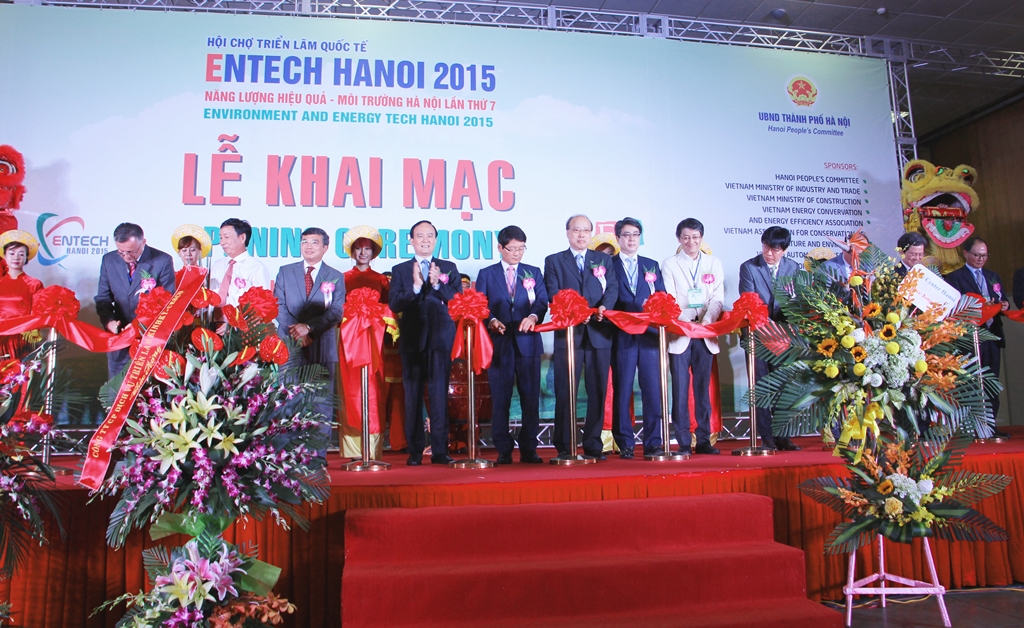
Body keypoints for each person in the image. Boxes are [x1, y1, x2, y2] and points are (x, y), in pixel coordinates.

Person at [543, 214, 619, 461]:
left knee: (597, 389)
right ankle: (565, 443)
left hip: (599, 330)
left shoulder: (603, 260)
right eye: (577, 230)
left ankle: (593, 442)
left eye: (586, 230)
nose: (581, 234)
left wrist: (604, 308)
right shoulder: (554, 260)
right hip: (569, 333)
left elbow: (612, 288)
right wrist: (577, 313)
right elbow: (553, 292)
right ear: (568, 232)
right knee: (566, 389)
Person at [388, 220, 462, 466]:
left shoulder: (448, 267)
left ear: (436, 239)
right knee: (412, 397)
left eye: (430, 235)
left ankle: (440, 450)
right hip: (412, 340)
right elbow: (395, 303)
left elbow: (457, 300)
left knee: (439, 396)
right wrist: (416, 288)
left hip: (440, 339)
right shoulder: (400, 270)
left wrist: (438, 284)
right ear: (411, 240)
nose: (425, 239)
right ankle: (415, 450)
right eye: (420, 235)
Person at [477, 225, 549, 464]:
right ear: (500, 247)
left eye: (521, 248)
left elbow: (542, 300)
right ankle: (503, 449)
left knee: (530, 398)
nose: (517, 253)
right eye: (512, 249)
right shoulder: (487, 274)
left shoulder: (533, 272)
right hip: (499, 343)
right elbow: (480, 305)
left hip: (527, 342)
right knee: (501, 398)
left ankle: (529, 448)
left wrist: (534, 317)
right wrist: (491, 321)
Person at [274, 227, 346, 450]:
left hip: (321, 345)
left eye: (314, 242)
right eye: (304, 241)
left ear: (325, 247)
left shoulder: (336, 275)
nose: (308, 246)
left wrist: (309, 328)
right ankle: (287, 454)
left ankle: (317, 456)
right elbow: (278, 305)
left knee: (321, 403)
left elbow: (336, 311)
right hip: (289, 344)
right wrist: (297, 331)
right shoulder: (285, 271)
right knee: (287, 400)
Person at [662, 218, 724, 455]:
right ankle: (683, 442)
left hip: (705, 334)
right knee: (680, 390)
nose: (691, 242)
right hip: (681, 333)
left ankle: (704, 440)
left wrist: (706, 322)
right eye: (686, 237)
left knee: (703, 390)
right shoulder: (670, 263)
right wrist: (687, 324)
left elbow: (717, 298)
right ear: (679, 238)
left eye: (695, 237)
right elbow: (670, 298)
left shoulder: (713, 263)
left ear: (701, 238)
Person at [738, 226, 802, 451]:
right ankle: (766, 436)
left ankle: (783, 435)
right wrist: (772, 328)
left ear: (784, 249)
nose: (768, 253)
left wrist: (790, 329)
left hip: (784, 338)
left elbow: (797, 302)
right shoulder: (749, 267)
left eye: (774, 249)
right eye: (765, 247)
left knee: (783, 385)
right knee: (762, 386)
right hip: (757, 336)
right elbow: (749, 303)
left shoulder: (793, 268)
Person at [609, 218, 667, 459]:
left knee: (653, 390)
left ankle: (653, 442)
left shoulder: (651, 265)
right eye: (626, 235)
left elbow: (661, 295)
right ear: (618, 238)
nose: (631, 239)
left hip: (649, 336)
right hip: (622, 334)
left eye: (635, 234)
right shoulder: (608, 264)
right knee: (623, 389)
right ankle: (625, 443)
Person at [944, 236, 1010, 434]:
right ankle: (971, 427)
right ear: (965, 253)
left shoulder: (992, 276)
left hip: (992, 335)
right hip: (969, 338)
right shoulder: (954, 277)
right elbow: (952, 308)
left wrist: (1004, 305)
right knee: (970, 382)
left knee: (991, 381)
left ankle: (990, 426)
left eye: (985, 255)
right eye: (977, 255)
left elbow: (1001, 298)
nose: (981, 259)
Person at [95, 222, 175, 377]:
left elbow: (167, 301)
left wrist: (139, 325)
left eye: (131, 252)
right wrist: (109, 322)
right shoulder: (109, 260)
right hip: (119, 338)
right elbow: (103, 297)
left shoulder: (162, 261)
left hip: (149, 338)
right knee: (117, 386)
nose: (126, 256)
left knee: (148, 387)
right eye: (121, 252)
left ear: (143, 242)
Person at [338, 225, 390, 459]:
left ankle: (372, 448)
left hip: (374, 342)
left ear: (373, 252)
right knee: (350, 390)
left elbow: (389, 310)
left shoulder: (382, 280)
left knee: (373, 390)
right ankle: (352, 449)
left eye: (367, 249)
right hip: (348, 342)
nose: (362, 253)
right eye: (358, 249)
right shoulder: (342, 278)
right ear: (352, 252)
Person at [0, 230, 43, 359]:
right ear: (4, 256)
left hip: (21, 338)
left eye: (21, 254)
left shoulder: (34, 284)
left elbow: (38, 313)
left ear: (26, 258)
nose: (16, 257)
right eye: (12, 253)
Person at [210, 218, 270, 307]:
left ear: (242, 238)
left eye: (226, 237)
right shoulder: (217, 265)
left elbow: (263, 305)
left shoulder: (257, 268)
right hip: (212, 316)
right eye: (221, 238)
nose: (222, 242)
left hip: (241, 316)